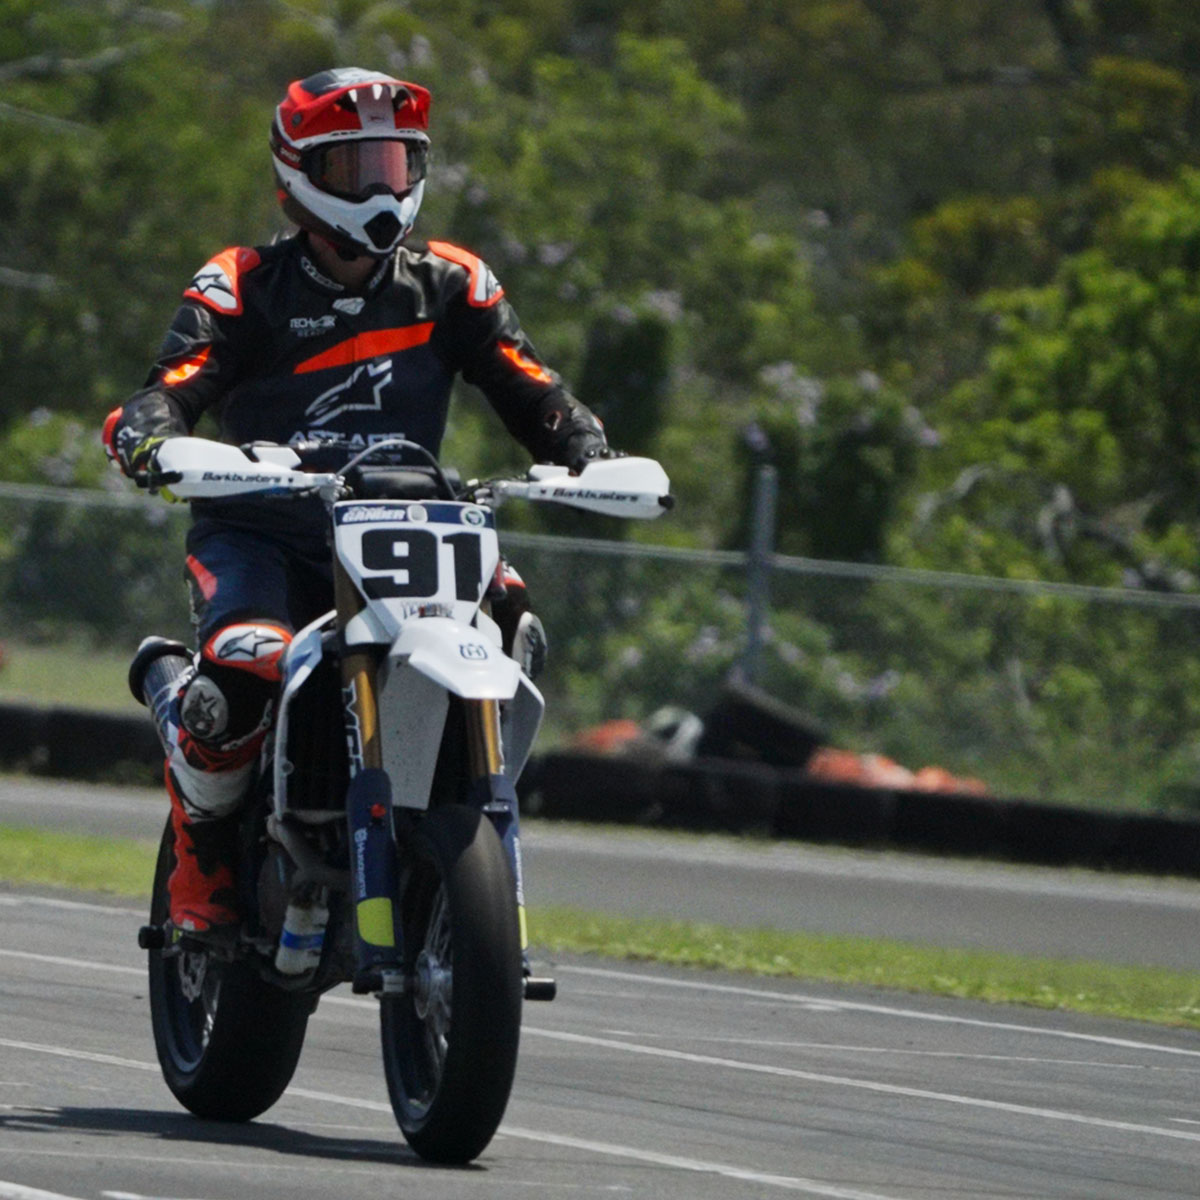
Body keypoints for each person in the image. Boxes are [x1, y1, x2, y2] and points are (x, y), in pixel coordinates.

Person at [102, 68, 615, 934]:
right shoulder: (241, 283)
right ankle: (200, 854)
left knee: (515, 620)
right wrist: (152, 437)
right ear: (300, 173)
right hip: (262, 536)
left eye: (396, 163)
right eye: (355, 168)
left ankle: (455, 820)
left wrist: (588, 453)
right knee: (243, 670)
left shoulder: (453, 283)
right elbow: (169, 390)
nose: (382, 189)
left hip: (408, 529)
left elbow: (537, 392)